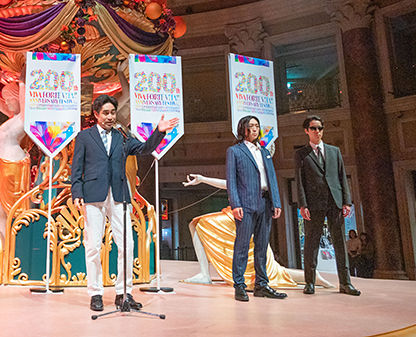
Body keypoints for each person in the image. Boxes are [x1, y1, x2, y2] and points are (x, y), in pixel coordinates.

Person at [71, 94, 179, 312]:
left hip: (120, 194)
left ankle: (123, 293)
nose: (110, 117)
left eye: (113, 112)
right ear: (96, 114)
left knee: (127, 245)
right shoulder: (84, 137)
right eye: (106, 113)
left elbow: (144, 149)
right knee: (93, 246)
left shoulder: (122, 136)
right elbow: (77, 167)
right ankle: (96, 293)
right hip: (93, 194)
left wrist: (159, 131)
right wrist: (76, 192)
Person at [182, 173, 334, 290]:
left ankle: (313, 276)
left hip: (243, 219)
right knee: (197, 223)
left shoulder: (258, 174)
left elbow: (233, 186)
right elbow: (228, 184)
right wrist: (202, 179)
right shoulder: (248, 171)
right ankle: (204, 273)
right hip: (237, 217)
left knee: (273, 271)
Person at [295, 115, 360, 296]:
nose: (318, 131)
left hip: (335, 201)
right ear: (307, 130)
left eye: (320, 128)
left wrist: (346, 201)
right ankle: (310, 282)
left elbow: (342, 176)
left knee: (340, 243)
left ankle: (346, 283)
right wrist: (302, 204)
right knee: (311, 243)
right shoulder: (301, 154)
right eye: (314, 128)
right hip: (313, 204)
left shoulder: (334, 151)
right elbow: (300, 182)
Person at [226, 115, 286, 302]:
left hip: (265, 202)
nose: (254, 129)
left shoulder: (265, 151)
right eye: (251, 126)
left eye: (257, 126)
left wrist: (276, 202)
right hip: (245, 203)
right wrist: (235, 204)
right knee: (242, 246)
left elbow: (272, 179)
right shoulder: (235, 151)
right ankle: (239, 286)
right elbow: (231, 181)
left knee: (262, 246)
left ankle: (262, 285)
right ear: (242, 128)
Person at [0, 67, 29, 249]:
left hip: (15, 167)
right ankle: (4, 258)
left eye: (10, 98)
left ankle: (16, 253)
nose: (6, 102)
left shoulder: (24, 118)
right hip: (2, 167)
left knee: (15, 212)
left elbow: (24, 94)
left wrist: (23, 77)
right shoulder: (12, 116)